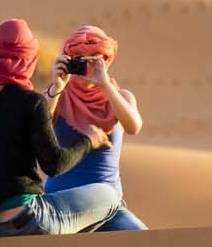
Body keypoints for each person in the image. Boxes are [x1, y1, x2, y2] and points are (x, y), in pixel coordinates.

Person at [0, 18, 121, 239]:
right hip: (23, 223)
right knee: (107, 196)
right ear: (28, 58)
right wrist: (89, 140)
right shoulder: (30, 102)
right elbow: (55, 165)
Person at [45, 25, 148, 231]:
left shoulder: (121, 97)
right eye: (79, 59)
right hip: (59, 206)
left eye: (93, 60)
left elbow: (133, 126)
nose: (86, 67)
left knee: (141, 237)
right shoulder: (57, 97)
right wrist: (56, 87)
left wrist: (105, 86)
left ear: (106, 60)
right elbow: (38, 124)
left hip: (107, 206)